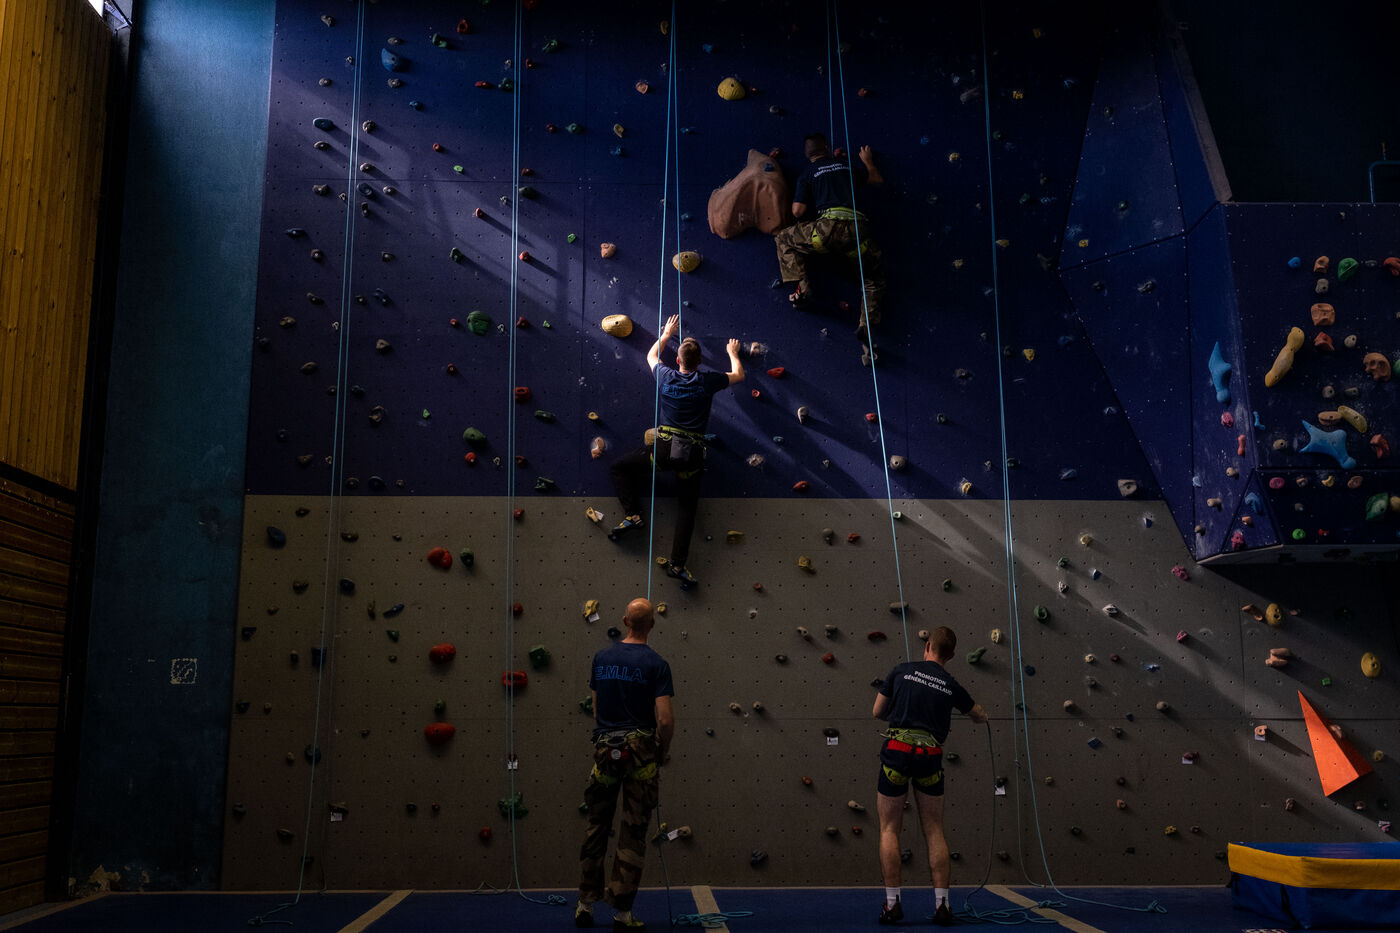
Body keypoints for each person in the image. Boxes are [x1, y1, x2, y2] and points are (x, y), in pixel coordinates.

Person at [606, 314, 743, 588]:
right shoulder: (707, 381)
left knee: (619, 467)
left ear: (678, 361)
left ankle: (633, 515)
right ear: (699, 362)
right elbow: (739, 375)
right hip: (690, 457)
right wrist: (732, 353)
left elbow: (651, 356)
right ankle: (677, 564)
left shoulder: (666, 376)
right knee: (687, 509)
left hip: (663, 451)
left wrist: (667, 334)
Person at [872, 627, 987, 926]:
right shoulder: (950, 684)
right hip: (929, 757)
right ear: (951, 655)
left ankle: (892, 905)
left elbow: (877, 712)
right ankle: (942, 906)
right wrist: (981, 715)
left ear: (927, 646)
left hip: (897, 753)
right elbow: (977, 713)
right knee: (934, 830)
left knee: (889, 829)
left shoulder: (901, 670)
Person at [576, 598, 676, 932]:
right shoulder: (657, 664)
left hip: (606, 749)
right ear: (652, 625)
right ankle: (621, 912)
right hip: (640, 753)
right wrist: (662, 751)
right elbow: (664, 720)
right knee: (632, 832)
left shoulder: (601, 658)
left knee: (596, 825)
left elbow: (596, 708)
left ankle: (585, 904)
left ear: (625, 621)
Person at [774, 132, 886, 340]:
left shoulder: (808, 173)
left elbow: (797, 211)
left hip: (826, 231)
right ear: (826, 148)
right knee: (873, 278)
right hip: (857, 233)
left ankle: (803, 290)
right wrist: (868, 161)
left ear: (807, 154)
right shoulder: (846, 166)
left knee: (783, 238)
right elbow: (877, 180)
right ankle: (867, 323)